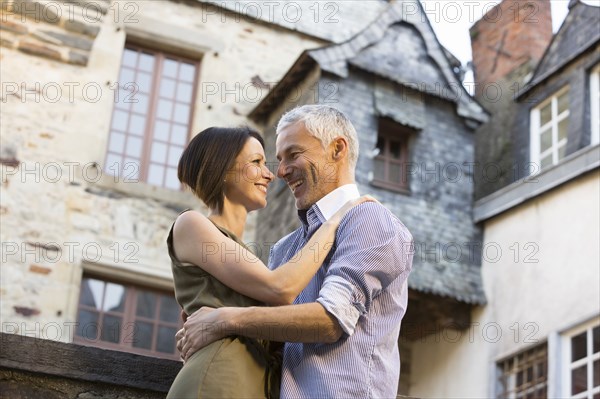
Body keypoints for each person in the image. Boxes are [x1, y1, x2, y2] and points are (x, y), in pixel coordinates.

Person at [178, 105, 414, 398]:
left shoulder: (369, 219)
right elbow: (272, 338)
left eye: (293, 154)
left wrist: (223, 319)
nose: (280, 172)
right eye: (277, 160)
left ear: (337, 150)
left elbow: (331, 321)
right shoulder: (285, 249)